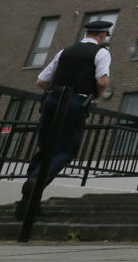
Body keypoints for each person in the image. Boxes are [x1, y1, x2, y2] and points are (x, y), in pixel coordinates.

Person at [15, 20, 113, 220]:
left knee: (46, 147)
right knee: (66, 149)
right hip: (74, 103)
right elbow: (102, 81)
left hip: (51, 101)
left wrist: (56, 91)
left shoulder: (64, 51)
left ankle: (29, 203)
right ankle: (36, 181)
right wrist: (94, 95)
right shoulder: (101, 53)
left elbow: (41, 81)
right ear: (102, 35)